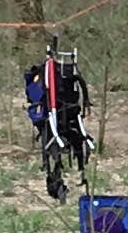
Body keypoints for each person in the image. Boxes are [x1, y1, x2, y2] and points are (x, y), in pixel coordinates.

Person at [22, 37, 93, 202]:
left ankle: (75, 171)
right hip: (56, 112)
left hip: (63, 112)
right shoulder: (44, 75)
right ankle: (60, 175)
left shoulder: (63, 78)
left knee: (69, 138)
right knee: (61, 139)